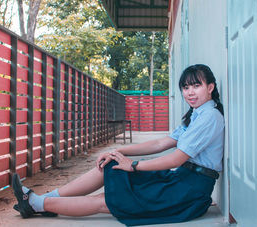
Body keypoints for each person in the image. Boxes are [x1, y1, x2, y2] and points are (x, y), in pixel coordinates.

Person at [12, 64, 225, 226]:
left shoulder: (210, 117)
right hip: (180, 179)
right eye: (186, 87)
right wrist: (118, 151)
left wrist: (133, 165)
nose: (190, 92)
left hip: (188, 191)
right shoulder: (197, 115)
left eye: (196, 86)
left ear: (210, 87)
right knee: (110, 165)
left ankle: (35, 204)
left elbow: (176, 158)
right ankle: (39, 200)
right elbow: (161, 143)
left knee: (109, 201)